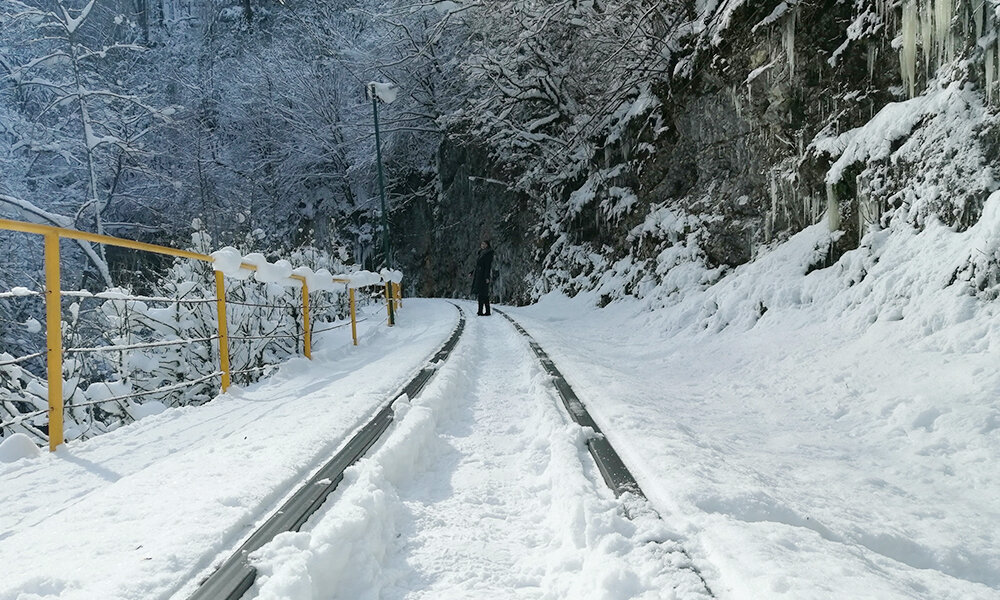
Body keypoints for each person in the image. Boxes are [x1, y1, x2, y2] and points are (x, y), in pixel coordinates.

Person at [471, 240, 494, 316]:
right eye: (482, 244)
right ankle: (480, 311)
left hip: (483, 275)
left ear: (487, 245)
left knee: (484, 294)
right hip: (479, 275)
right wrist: (472, 272)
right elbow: (477, 265)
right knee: (481, 294)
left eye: (484, 244)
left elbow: (487, 266)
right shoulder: (481, 253)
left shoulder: (488, 254)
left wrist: (487, 277)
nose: (482, 245)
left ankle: (486, 311)